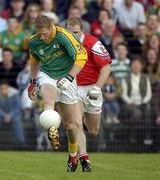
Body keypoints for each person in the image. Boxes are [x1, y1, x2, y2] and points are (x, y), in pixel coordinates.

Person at [27, 15, 87, 172]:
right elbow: (35, 62)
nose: (42, 37)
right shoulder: (33, 41)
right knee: (48, 100)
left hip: (68, 77)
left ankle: (73, 155)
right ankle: (51, 127)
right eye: (39, 34)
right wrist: (33, 82)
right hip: (47, 75)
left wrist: (69, 77)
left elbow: (82, 57)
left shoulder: (63, 36)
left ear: (51, 27)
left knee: (71, 125)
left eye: (45, 34)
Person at [66, 17, 111, 172]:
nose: (73, 36)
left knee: (93, 130)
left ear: (82, 31)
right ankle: (84, 159)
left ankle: (83, 119)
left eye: (76, 33)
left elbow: (106, 68)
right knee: (76, 123)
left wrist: (97, 88)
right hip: (74, 87)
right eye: (70, 33)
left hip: (92, 88)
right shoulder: (63, 45)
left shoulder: (93, 43)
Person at [0, 81, 25, 148]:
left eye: (5, 88)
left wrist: (9, 115)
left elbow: (17, 107)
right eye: (1, 89)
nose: (3, 90)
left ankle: (21, 142)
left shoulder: (15, 94)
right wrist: (4, 115)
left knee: (17, 120)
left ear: (8, 88)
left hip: (13, 114)